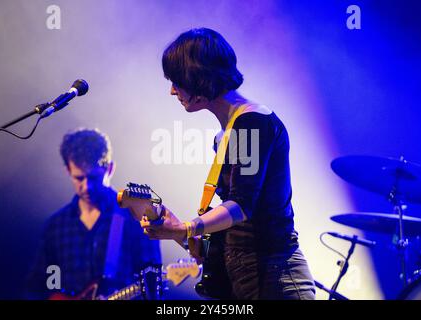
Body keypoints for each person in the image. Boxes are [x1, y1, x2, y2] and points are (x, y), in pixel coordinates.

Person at [141, 28, 315, 300]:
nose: (172, 90)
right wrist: (182, 234)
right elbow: (234, 226)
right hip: (245, 275)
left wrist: (187, 226)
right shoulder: (226, 134)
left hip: (272, 274)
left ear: (198, 79)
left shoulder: (252, 122)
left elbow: (241, 206)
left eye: (176, 81)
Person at [26, 128, 161, 299]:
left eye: (94, 178)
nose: (87, 186)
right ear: (68, 170)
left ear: (110, 169)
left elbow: (152, 283)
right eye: (79, 178)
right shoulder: (56, 226)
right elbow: (40, 286)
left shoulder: (135, 216)